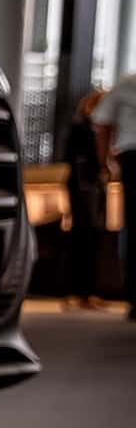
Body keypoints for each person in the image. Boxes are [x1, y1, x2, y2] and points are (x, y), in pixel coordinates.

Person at [92, 71, 136, 318]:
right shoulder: (126, 84)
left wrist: (104, 161)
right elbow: (103, 122)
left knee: (131, 225)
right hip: (131, 155)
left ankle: (133, 297)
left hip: (131, 156)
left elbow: (102, 122)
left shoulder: (126, 84)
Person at [64, 89, 108, 308]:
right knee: (82, 238)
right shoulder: (80, 128)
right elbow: (71, 159)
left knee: (92, 239)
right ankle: (76, 292)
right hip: (83, 189)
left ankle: (88, 292)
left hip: (92, 188)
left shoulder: (95, 129)